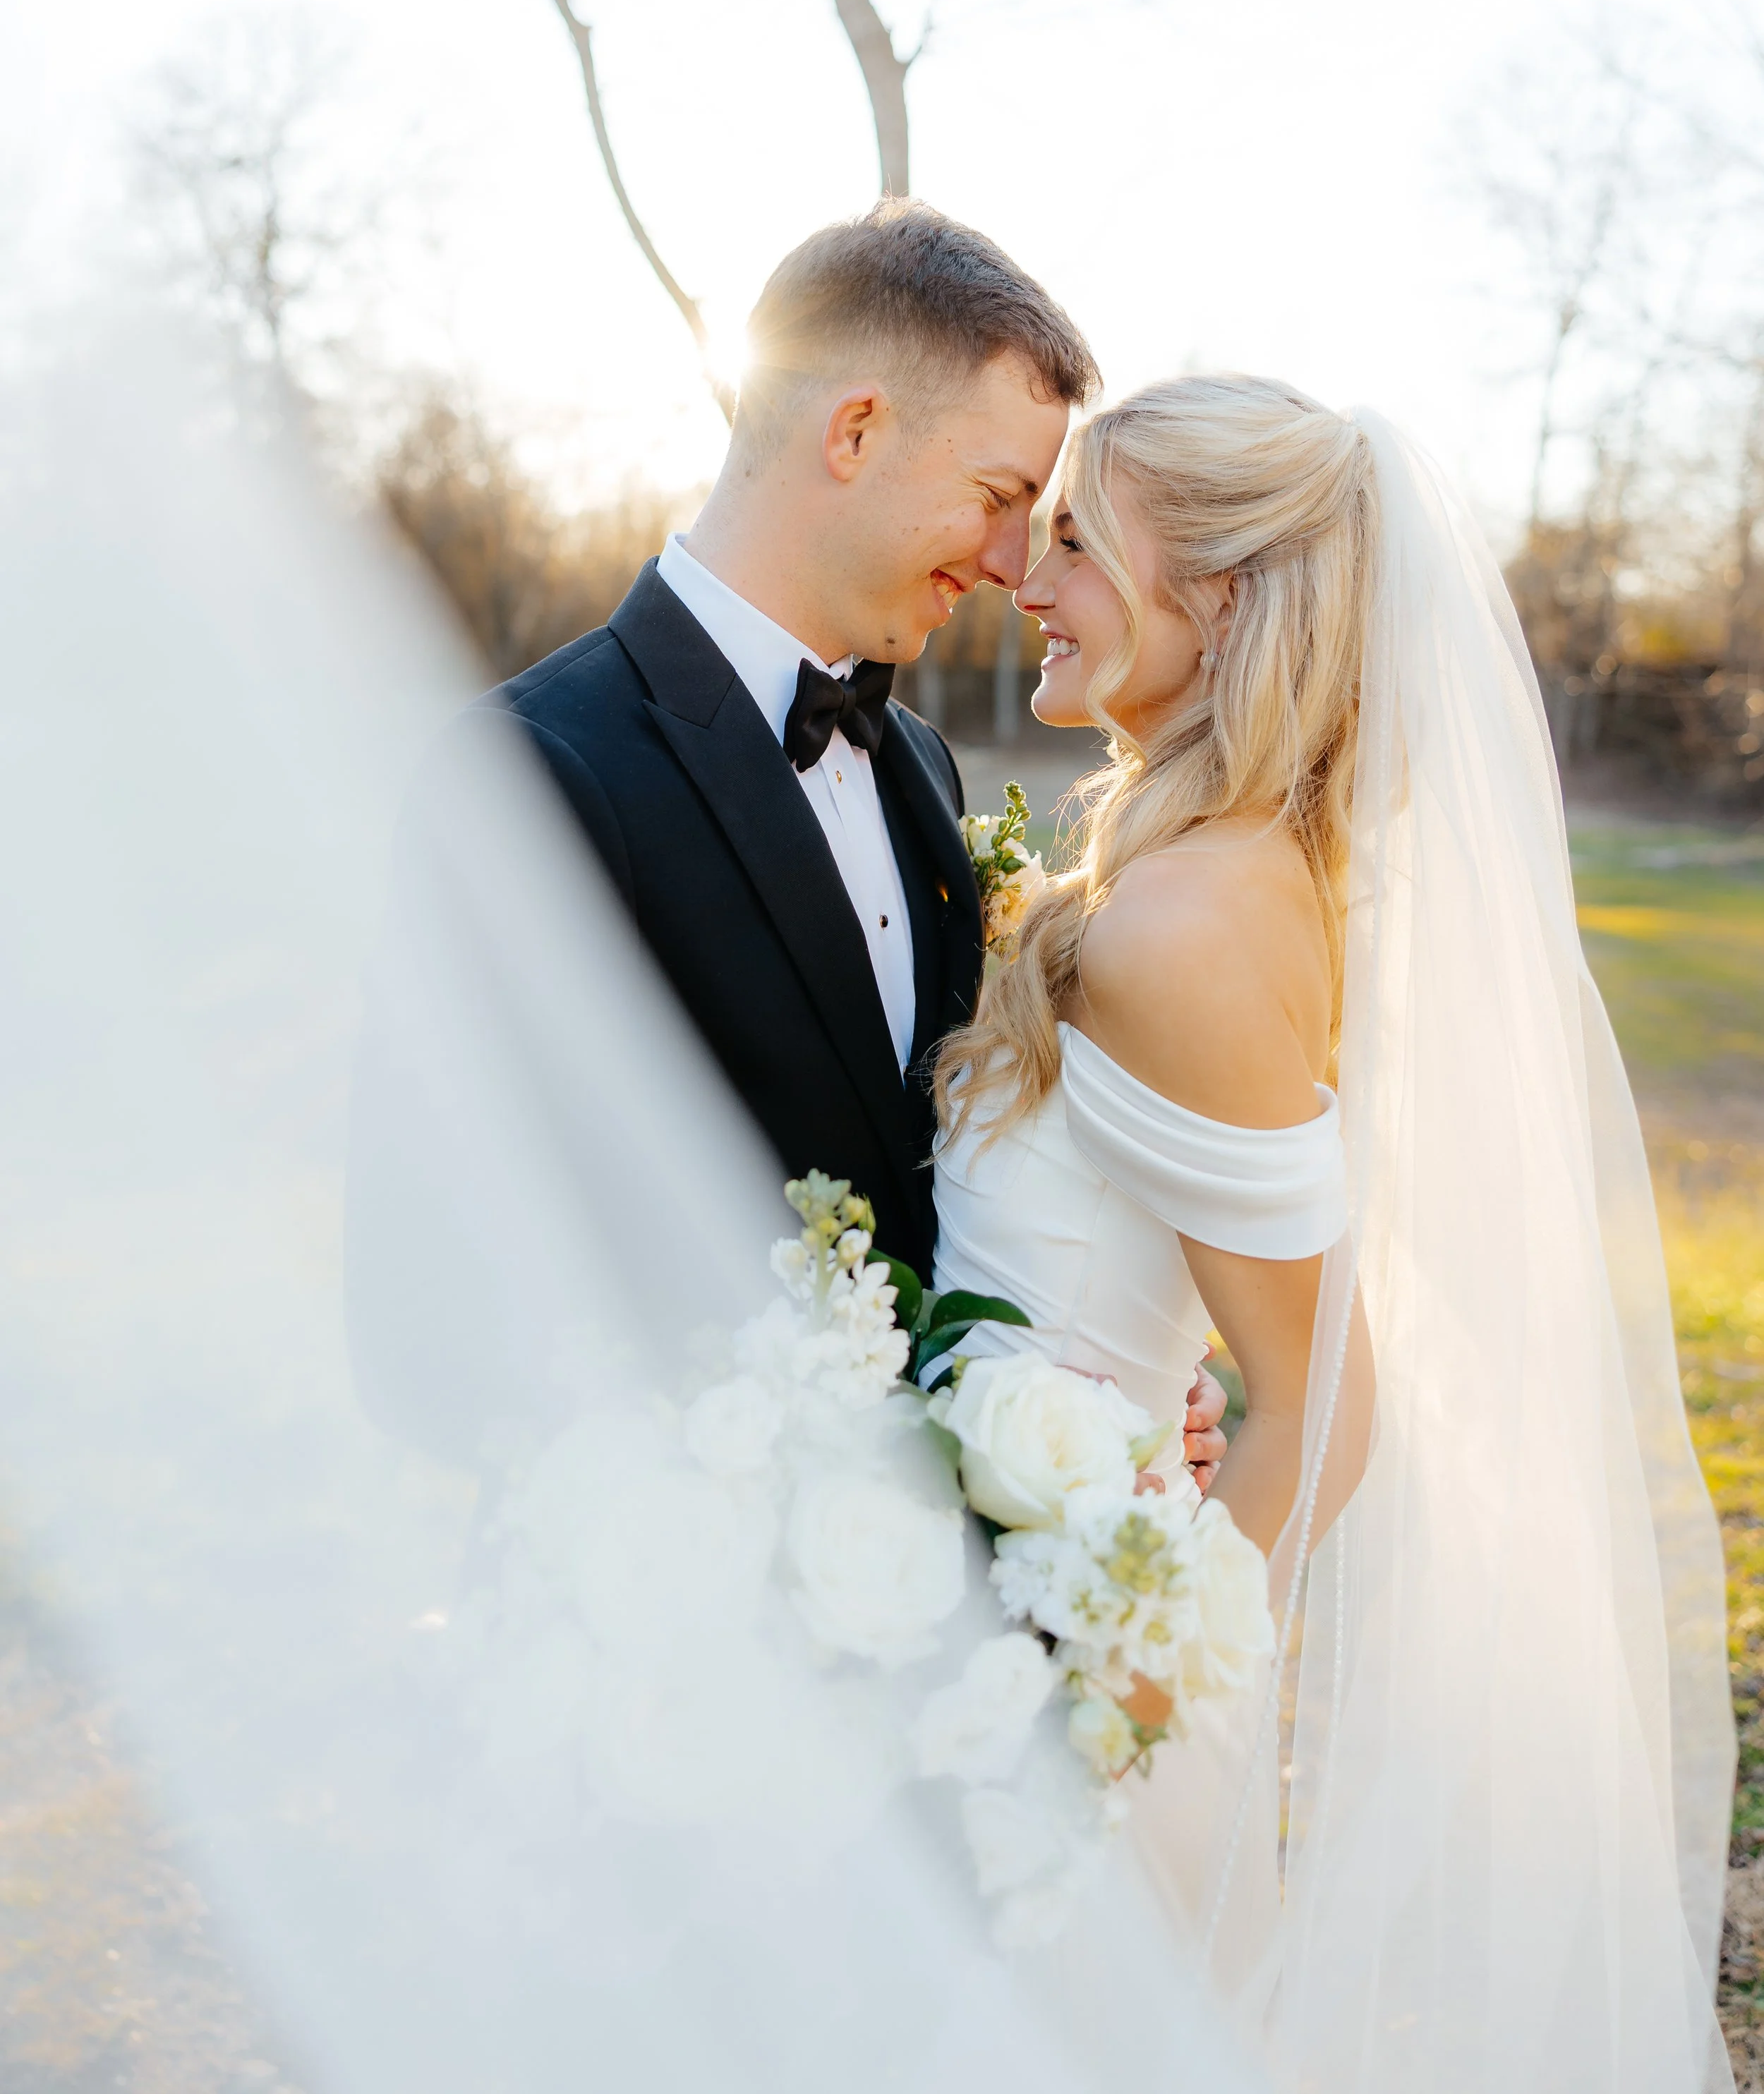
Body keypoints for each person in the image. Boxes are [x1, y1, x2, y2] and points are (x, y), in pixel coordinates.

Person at [931, 374, 1733, 2090]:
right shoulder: (1204, 862)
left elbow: (1319, 1401)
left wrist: (1116, 1712)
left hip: (1093, 1697)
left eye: (1074, 538)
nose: (1029, 575)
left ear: (1213, 598)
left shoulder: (1192, 920)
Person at [352, 200, 1228, 1476]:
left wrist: (1082, 1414)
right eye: (998, 498)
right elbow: (424, 1329)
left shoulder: (920, 762)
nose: (1007, 562)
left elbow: (939, 1214)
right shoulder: (531, 773)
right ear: (856, 430)